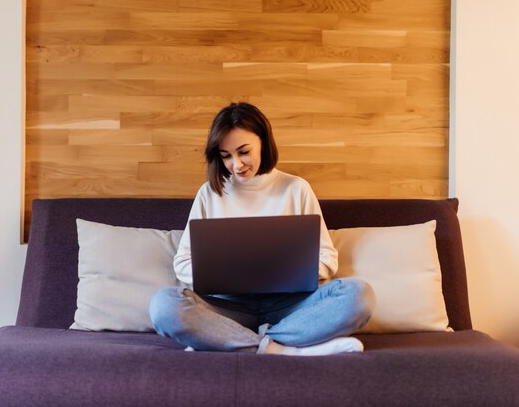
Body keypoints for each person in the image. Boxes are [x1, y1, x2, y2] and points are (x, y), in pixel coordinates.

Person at [149, 102, 375, 356]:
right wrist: (224, 276)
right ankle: (283, 348)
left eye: (244, 151)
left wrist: (287, 274)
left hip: (289, 306)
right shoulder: (210, 194)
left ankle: (234, 343)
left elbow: (327, 259)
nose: (236, 164)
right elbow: (182, 263)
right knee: (163, 306)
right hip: (227, 307)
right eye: (226, 156)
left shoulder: (296, 189)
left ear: (263, 143)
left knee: (358, 295)